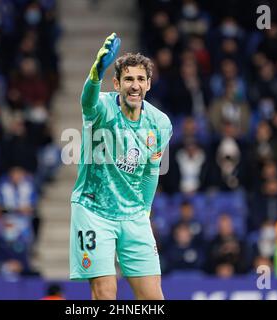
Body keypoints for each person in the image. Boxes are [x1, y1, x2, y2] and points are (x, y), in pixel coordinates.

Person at [69, 33, 173, 300]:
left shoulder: (160, 123)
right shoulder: (102, 107)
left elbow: (152, 171)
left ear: (149, 84)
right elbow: (87, 102)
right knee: (105, 293)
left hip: (134, 216)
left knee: (153, 298)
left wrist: (145, 210)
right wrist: (95, 74)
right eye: (128, 79)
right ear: (116, 83)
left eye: (140, 79)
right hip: (93, 211)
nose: (134, 85)